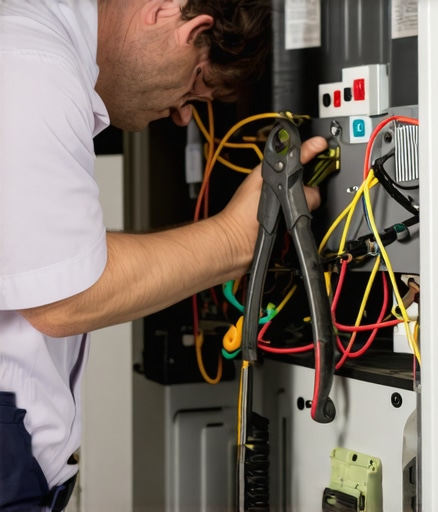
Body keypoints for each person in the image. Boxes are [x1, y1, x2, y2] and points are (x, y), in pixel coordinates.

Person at [0, 0, 327, 510]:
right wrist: (236, 239)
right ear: (179, 20)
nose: (181, 115)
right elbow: (64, 300)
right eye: (195, 82)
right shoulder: (32, 65)